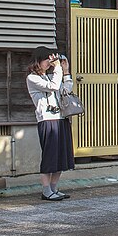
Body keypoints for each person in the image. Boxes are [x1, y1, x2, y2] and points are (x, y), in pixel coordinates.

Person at [26, 45, 74, 200]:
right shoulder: (32, 78)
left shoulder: (50, 76)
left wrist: (65, 72)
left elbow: (65, 90)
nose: (50, 63)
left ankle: (54, 188)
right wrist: (58, 69)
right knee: (50, 156)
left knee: (61, 156)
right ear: (38, 60)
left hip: (60, 118)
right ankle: (46, 190)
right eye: (48, 59)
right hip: (47, 120)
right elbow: (53, 87)